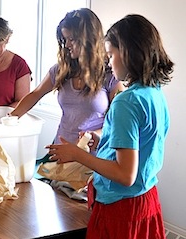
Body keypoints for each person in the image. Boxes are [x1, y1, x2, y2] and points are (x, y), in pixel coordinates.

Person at [47, 14, 174, 239]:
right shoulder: (154, 92)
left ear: (127, 53)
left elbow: (125, 175)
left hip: (121, 208)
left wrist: (77, 154)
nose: (109, 62)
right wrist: (104, 147)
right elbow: (142, 148)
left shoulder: (125, 102)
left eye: (111, 55)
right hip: (146, 198)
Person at [10, 8, 126, 147]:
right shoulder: (60, 70)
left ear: (88, 39)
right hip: (61, 150)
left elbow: (119, 122)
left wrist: (96, 135)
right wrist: (10, 119)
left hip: (92, 154)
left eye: (72, 39)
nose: (67, 45)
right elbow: (35, 95)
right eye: (65, 39)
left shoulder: (110, 75)